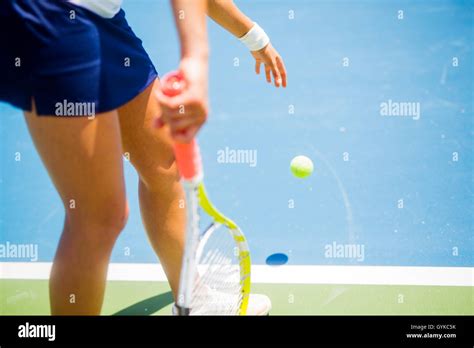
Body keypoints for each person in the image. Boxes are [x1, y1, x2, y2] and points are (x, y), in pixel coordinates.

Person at [0, 0, 287, 315]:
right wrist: (196, 62)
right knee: (99, 216)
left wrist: (253, 37)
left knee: (164, 163)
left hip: (102, 17)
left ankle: (193, 298)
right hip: (48, 16)